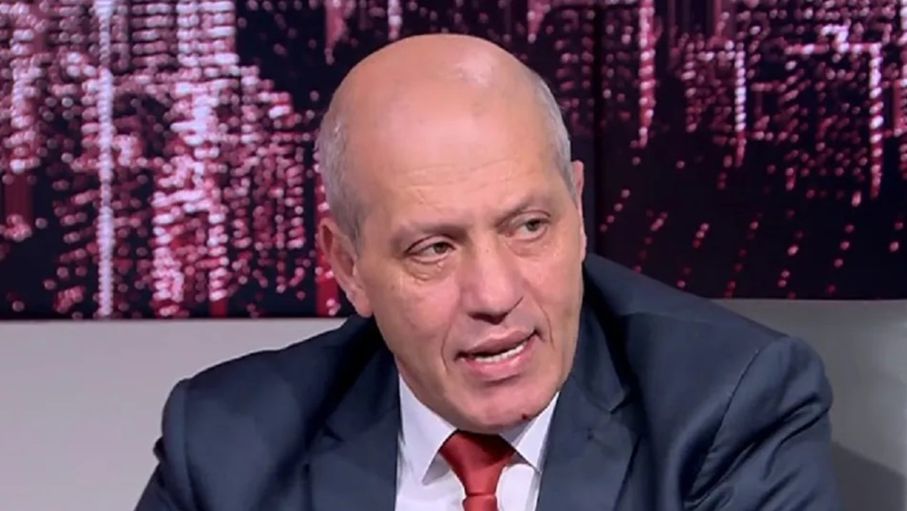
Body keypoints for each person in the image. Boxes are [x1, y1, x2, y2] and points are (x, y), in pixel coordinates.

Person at [135, 34, 840, 510]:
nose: (496, 295)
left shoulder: (725, 409)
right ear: (348, 265)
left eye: (528, 226)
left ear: (577, 209)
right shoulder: (228, 448)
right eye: (433, 249)